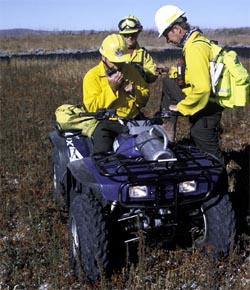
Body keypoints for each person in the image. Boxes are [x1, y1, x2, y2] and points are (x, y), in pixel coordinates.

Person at [155, 5, 225, 162]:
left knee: (210, 152)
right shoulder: (196, 42)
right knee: (168, 81)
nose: (167, 40)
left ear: (177, 29)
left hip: (208, 106)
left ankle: (220, 186)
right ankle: (168, 128)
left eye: (167, 34)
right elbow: (195, 72)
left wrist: (182, 107)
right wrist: (171, 71)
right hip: (209, 103)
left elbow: (202, 89)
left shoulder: (195, 48)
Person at [83, 33, 150, 155]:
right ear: (103, 57)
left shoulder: (131, 71)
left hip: (133, 120)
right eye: (114, 61)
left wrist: (135, 92)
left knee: (154, 146)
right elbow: (92, 108)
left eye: (121, 62)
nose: (118, 66)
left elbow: (144, 99)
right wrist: (111, 89)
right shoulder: (92, 76)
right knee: (101, 156)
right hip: (107, 123)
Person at [118, 15, 165, 83]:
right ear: (122, 35)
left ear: (138, 33)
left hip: (140, 91)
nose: (129, 37)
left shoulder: (143, 54)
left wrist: (153, 71)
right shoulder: (115, 52)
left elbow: (151, 72)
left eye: (132, 34)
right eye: (126, 35)